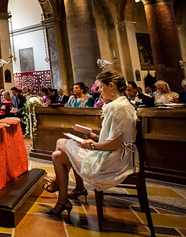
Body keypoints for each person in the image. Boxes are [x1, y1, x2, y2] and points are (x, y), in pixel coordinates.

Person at [44, 70, 138, 218]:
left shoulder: (117, 107)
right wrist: (93, 136)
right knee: (57, 155)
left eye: (100, 87)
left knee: (61, 143)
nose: (99, 91)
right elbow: (113, 136)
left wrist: (91, 145)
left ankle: (60, 188)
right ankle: (63, 200)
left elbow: (114, 144)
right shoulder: (120, 104)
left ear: (111, 86)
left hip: (114, 160)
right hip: (114, 153)